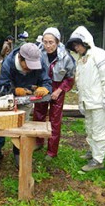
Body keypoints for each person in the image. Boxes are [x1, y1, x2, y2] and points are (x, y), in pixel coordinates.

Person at [0, 42, 52, 172]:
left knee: (22, 127)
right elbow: (3, 86)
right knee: (0, 125)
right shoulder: (8, 64)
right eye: (28, 65)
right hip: (7, 99)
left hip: (26, 100)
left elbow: (46, 80)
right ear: (20, 58)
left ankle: (18, 153)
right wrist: (14, 90)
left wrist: (45, 88)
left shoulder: (39, 61)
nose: (30, 68)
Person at [66, 26, 105, 172]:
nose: (76, 48)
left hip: (100, 102)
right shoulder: (81, 60)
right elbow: (81, 83)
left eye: (78, 44)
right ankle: (92, 151)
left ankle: (98, 160)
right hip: (88, 101)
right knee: (90, 128)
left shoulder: (99, 55)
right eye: (74, 45)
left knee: (99, 131)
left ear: (85, 42)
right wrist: (81, 101)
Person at [33, 27, 75, 161]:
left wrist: (59, 90)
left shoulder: (66, 57)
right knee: (38, 114)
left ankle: (52, 151)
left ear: (57, 42)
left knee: (55, 120)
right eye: (45, 42)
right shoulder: (39, 53)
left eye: (51, 42)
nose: (48, 45)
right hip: (43, 86)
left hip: (58, 87)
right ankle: (38, 142)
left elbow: (70, 77)